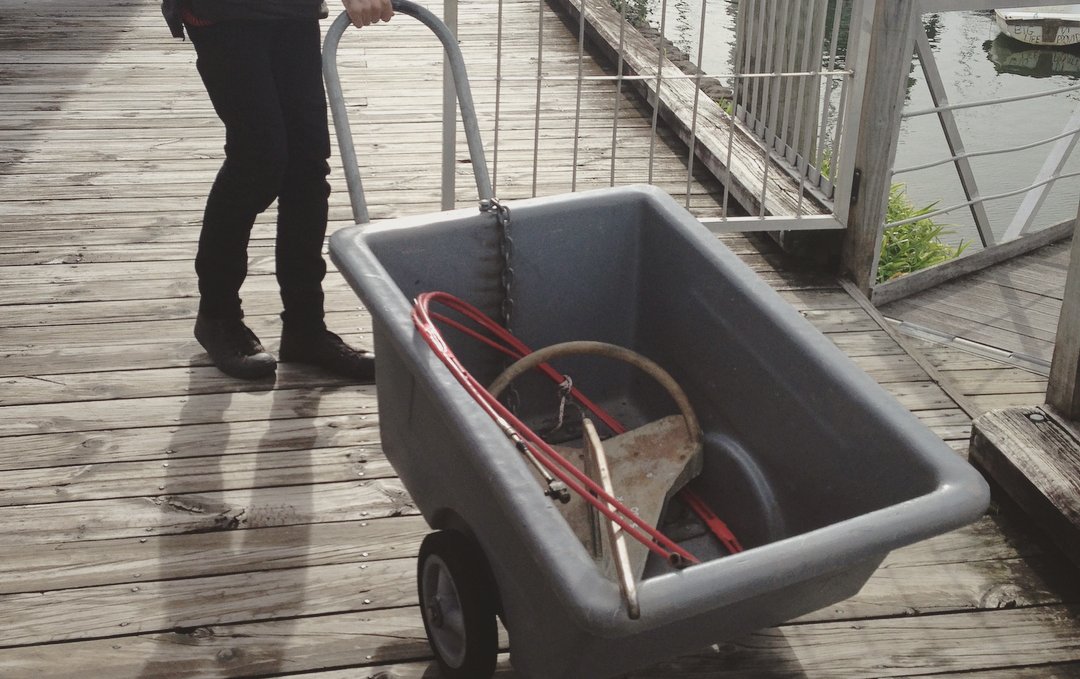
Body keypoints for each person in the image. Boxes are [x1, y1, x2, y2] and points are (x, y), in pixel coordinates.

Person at [161, 0, 393, 380]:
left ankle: (305, 327)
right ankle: (218, 315)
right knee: (257, 158)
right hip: (222, 14)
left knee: (307, 162)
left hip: (291, 10)